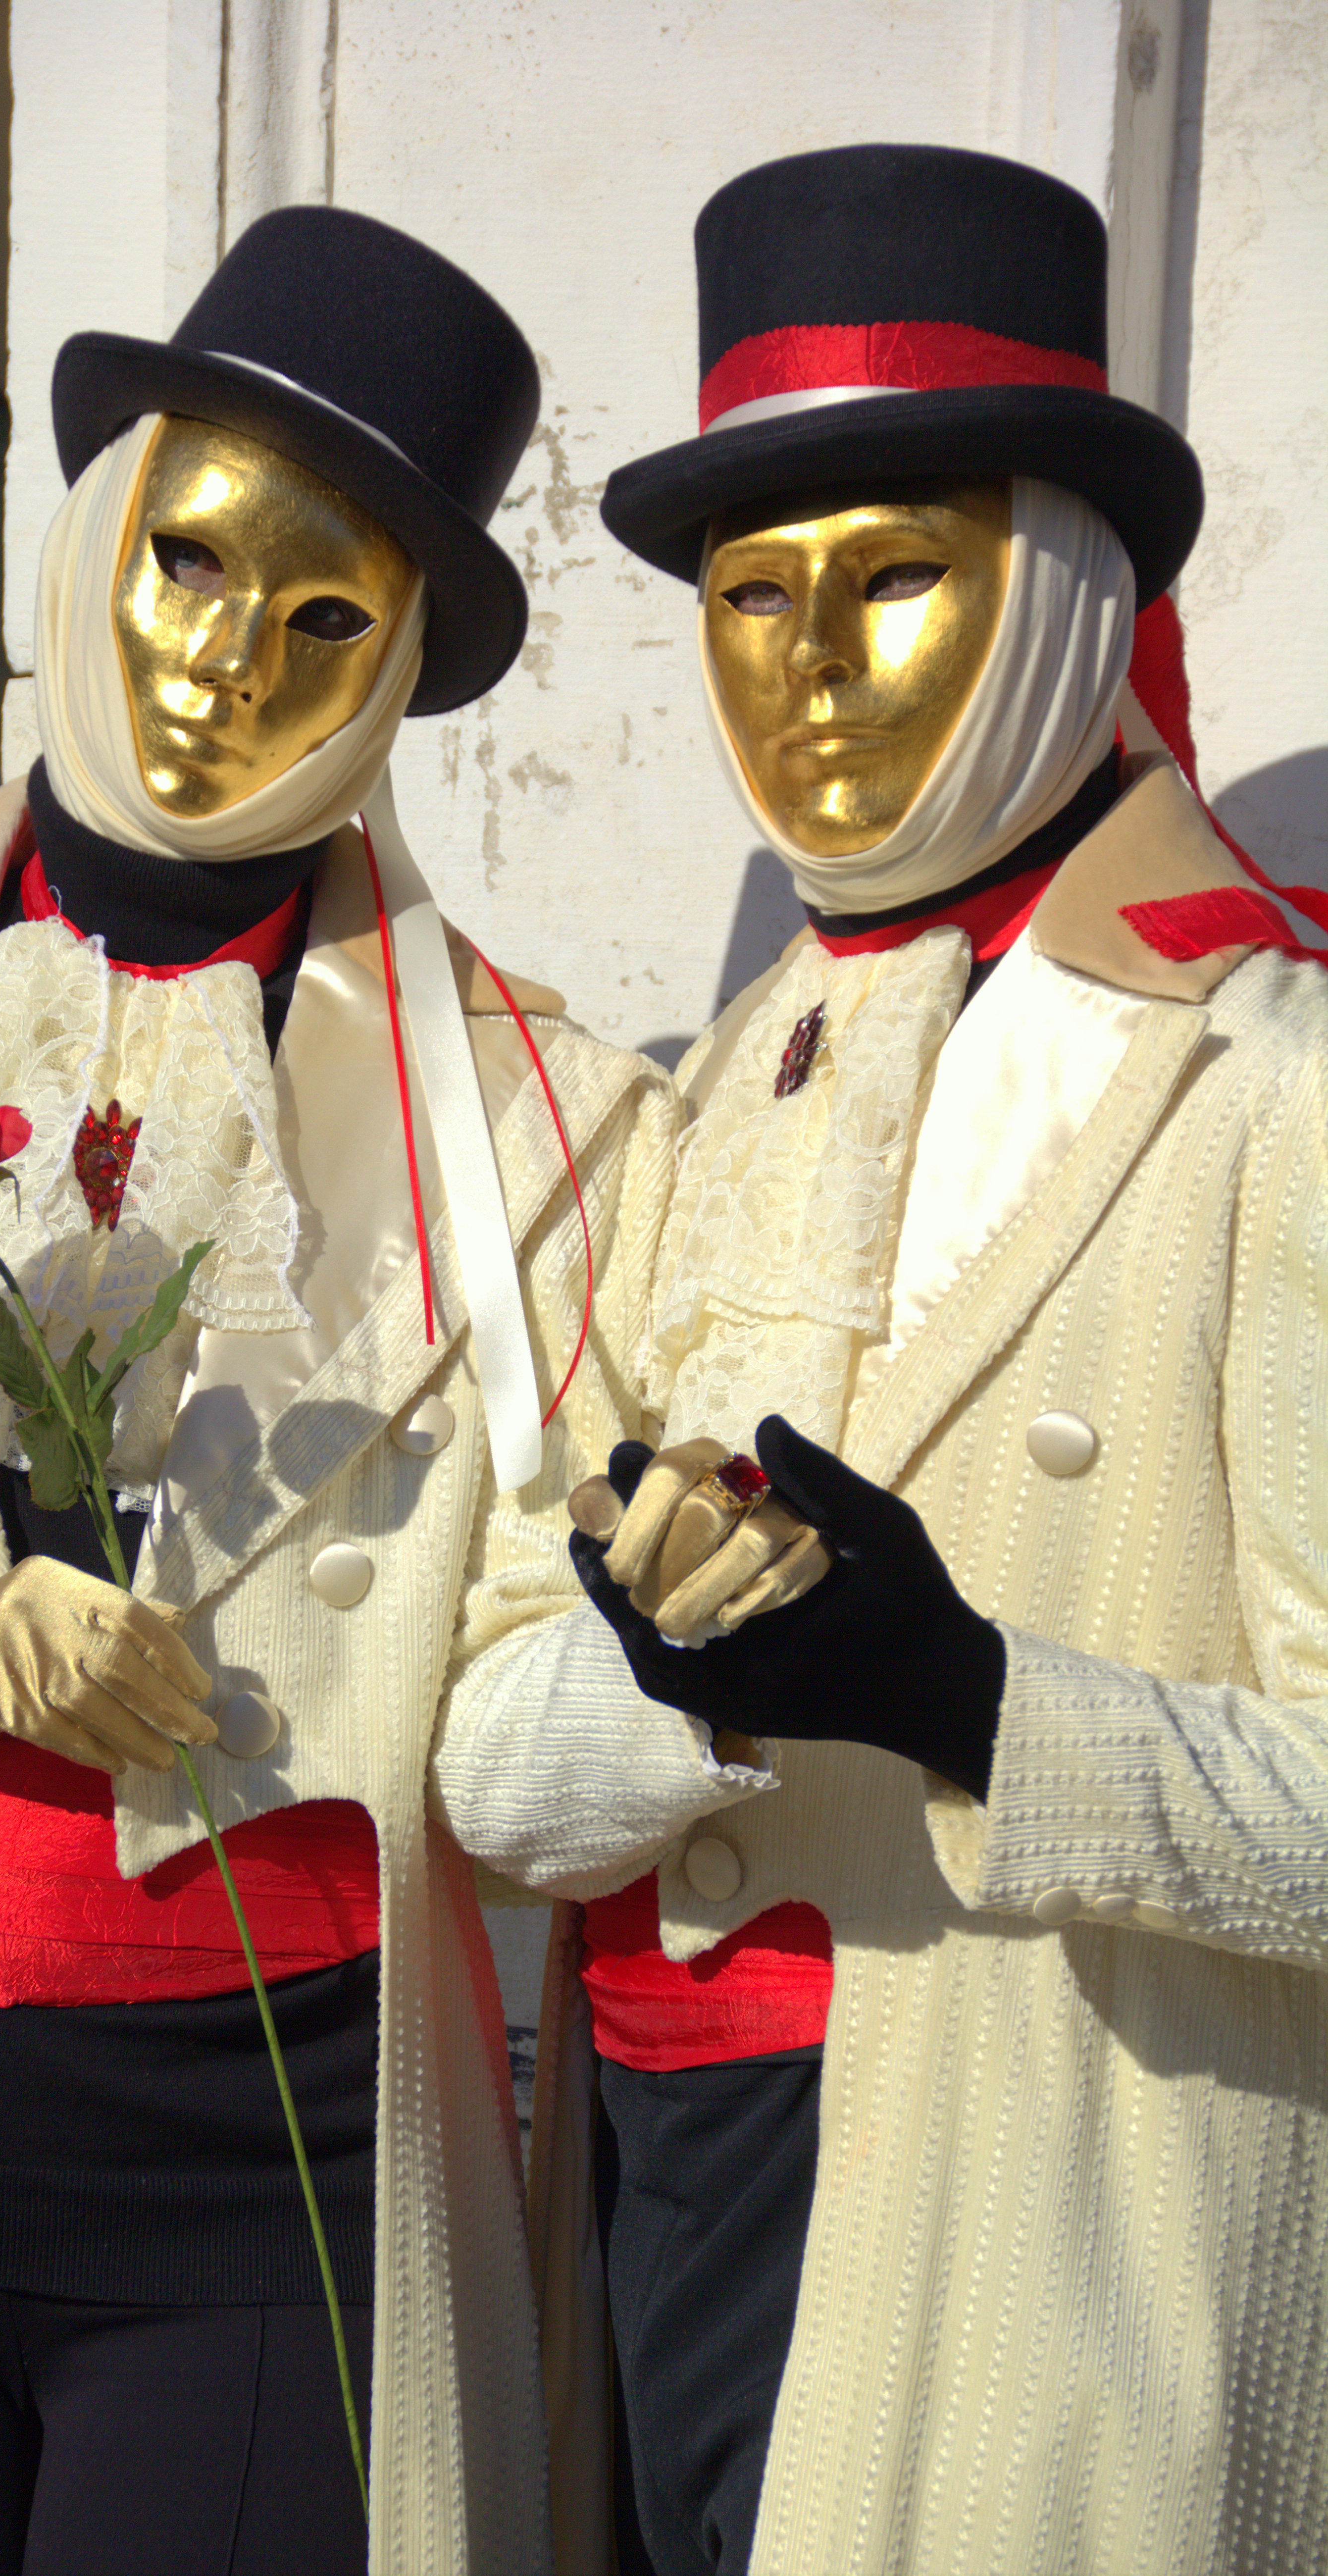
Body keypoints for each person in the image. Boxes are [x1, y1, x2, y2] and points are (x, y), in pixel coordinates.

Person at [0, 206, 674, 2576]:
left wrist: (685, 1650)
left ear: (402, 667)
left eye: (323, 619)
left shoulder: (543, 1137)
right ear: (95, 530)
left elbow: (524, 1730)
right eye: (190, 557)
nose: (221, 660)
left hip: (267, 2163)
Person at [436, 145, 1328, 2576]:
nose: (807, 664)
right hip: (673, 2199)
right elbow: (499, 1750)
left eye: (897, 572)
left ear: (1065, 578)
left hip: (1052, 2238)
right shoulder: (711, 1091)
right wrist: (685, 1674)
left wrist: (972, 1701)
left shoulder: (1271, 1091)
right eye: (749, 593)